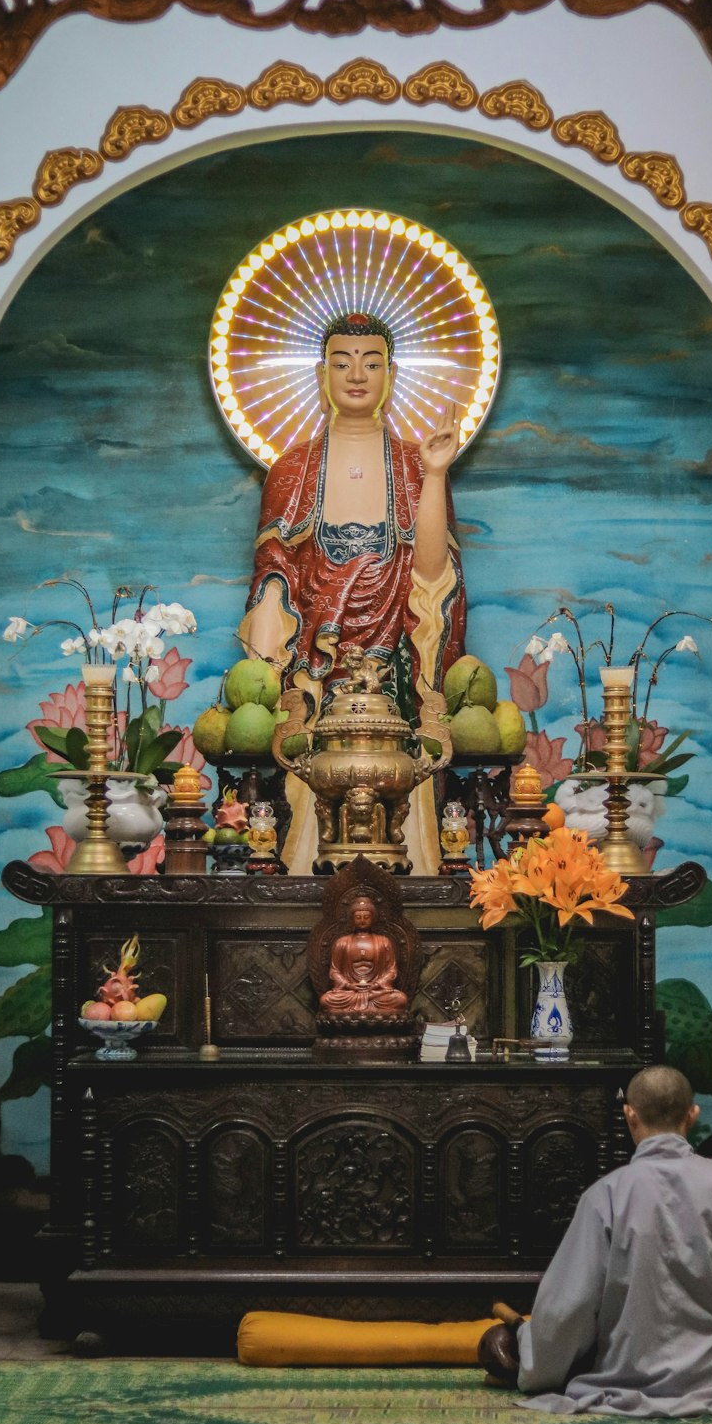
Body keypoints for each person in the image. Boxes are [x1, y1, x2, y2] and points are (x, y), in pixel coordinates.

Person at [238, 309, 467, 872]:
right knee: (303, 800)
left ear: (391, 374)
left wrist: (436, 474)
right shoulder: (291, 470)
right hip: (317, 670)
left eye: (371, 362)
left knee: (405, 793)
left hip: (395, 668)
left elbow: (432, 577)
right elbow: (275, 575)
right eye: (342, 362)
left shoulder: (417, 464)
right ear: (322, 374)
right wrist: (268, 676)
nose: (356, 374)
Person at [488, 1065, 712, 1417]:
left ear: (629, 1114)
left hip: (627, 1376)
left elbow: (569, 1308)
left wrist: (534, 1365)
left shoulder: (605, 1196)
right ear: (692, 1114)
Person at [319, 895, 408, 1017]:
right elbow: (334, 971)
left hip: (376, 992)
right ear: (352, 919)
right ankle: (371, 1011)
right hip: (350, 992)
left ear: (373, 918)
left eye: (366, 917)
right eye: (358, 917)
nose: (362, 920)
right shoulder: (342, 942)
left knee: (400, 999)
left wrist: (375, 985)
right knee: (326, 999)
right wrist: (349, 985)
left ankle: (360, 1010)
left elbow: (391, 970)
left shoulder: (383, 941)